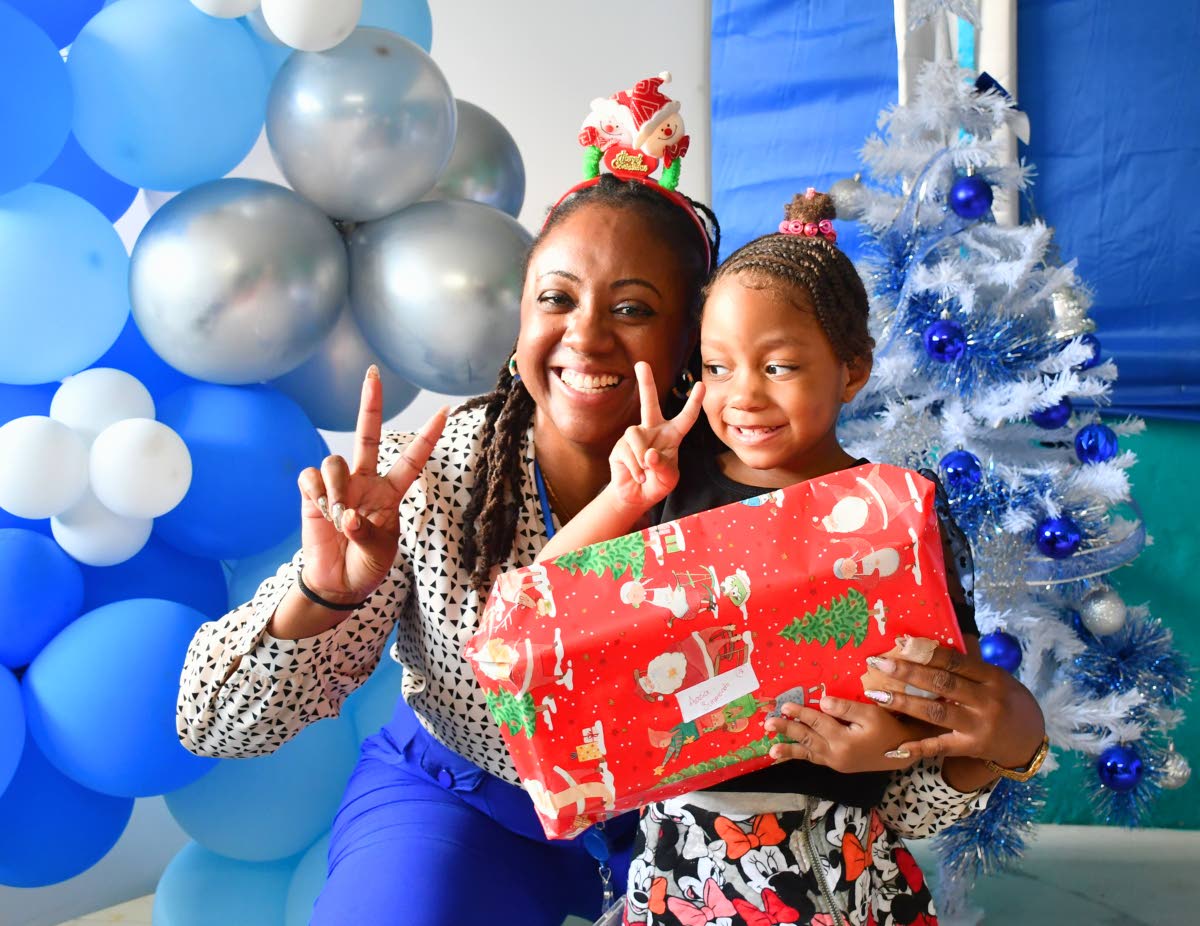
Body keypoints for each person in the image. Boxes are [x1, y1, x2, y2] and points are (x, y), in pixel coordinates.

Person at [175, 164, 721, 926]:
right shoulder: (427, 482)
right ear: (521, 323)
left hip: (681, 825)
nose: (586, 334)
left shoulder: (740, 496)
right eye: (556, 298)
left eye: (632, 308)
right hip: (462, 805)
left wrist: (951, 766)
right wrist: (325, 592)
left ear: (687, 341)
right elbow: (211, 723)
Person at [534, 189, 1047, 926]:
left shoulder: (898, 517)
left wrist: (893, 746)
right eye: (716, 367)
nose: (742, 395)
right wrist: (621, 498)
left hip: (838, 869)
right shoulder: (670, 500)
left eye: (777, 367)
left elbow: (947, 709)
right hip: (682, 869)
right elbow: (540, 609)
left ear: (852, 369)